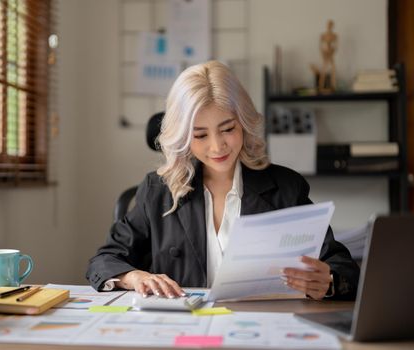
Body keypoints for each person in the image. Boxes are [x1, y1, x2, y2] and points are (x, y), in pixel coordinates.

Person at [86, 61, 359, 301]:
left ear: (244, 122)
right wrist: (135, 277)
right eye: (200, 135)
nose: (217, 147)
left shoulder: (285, 187)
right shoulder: (158, 190)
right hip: (183, 330)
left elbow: (342, 266)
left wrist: (329, 281)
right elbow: (104, 260)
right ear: (182, 136)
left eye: (227, 129)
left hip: (260, 327)